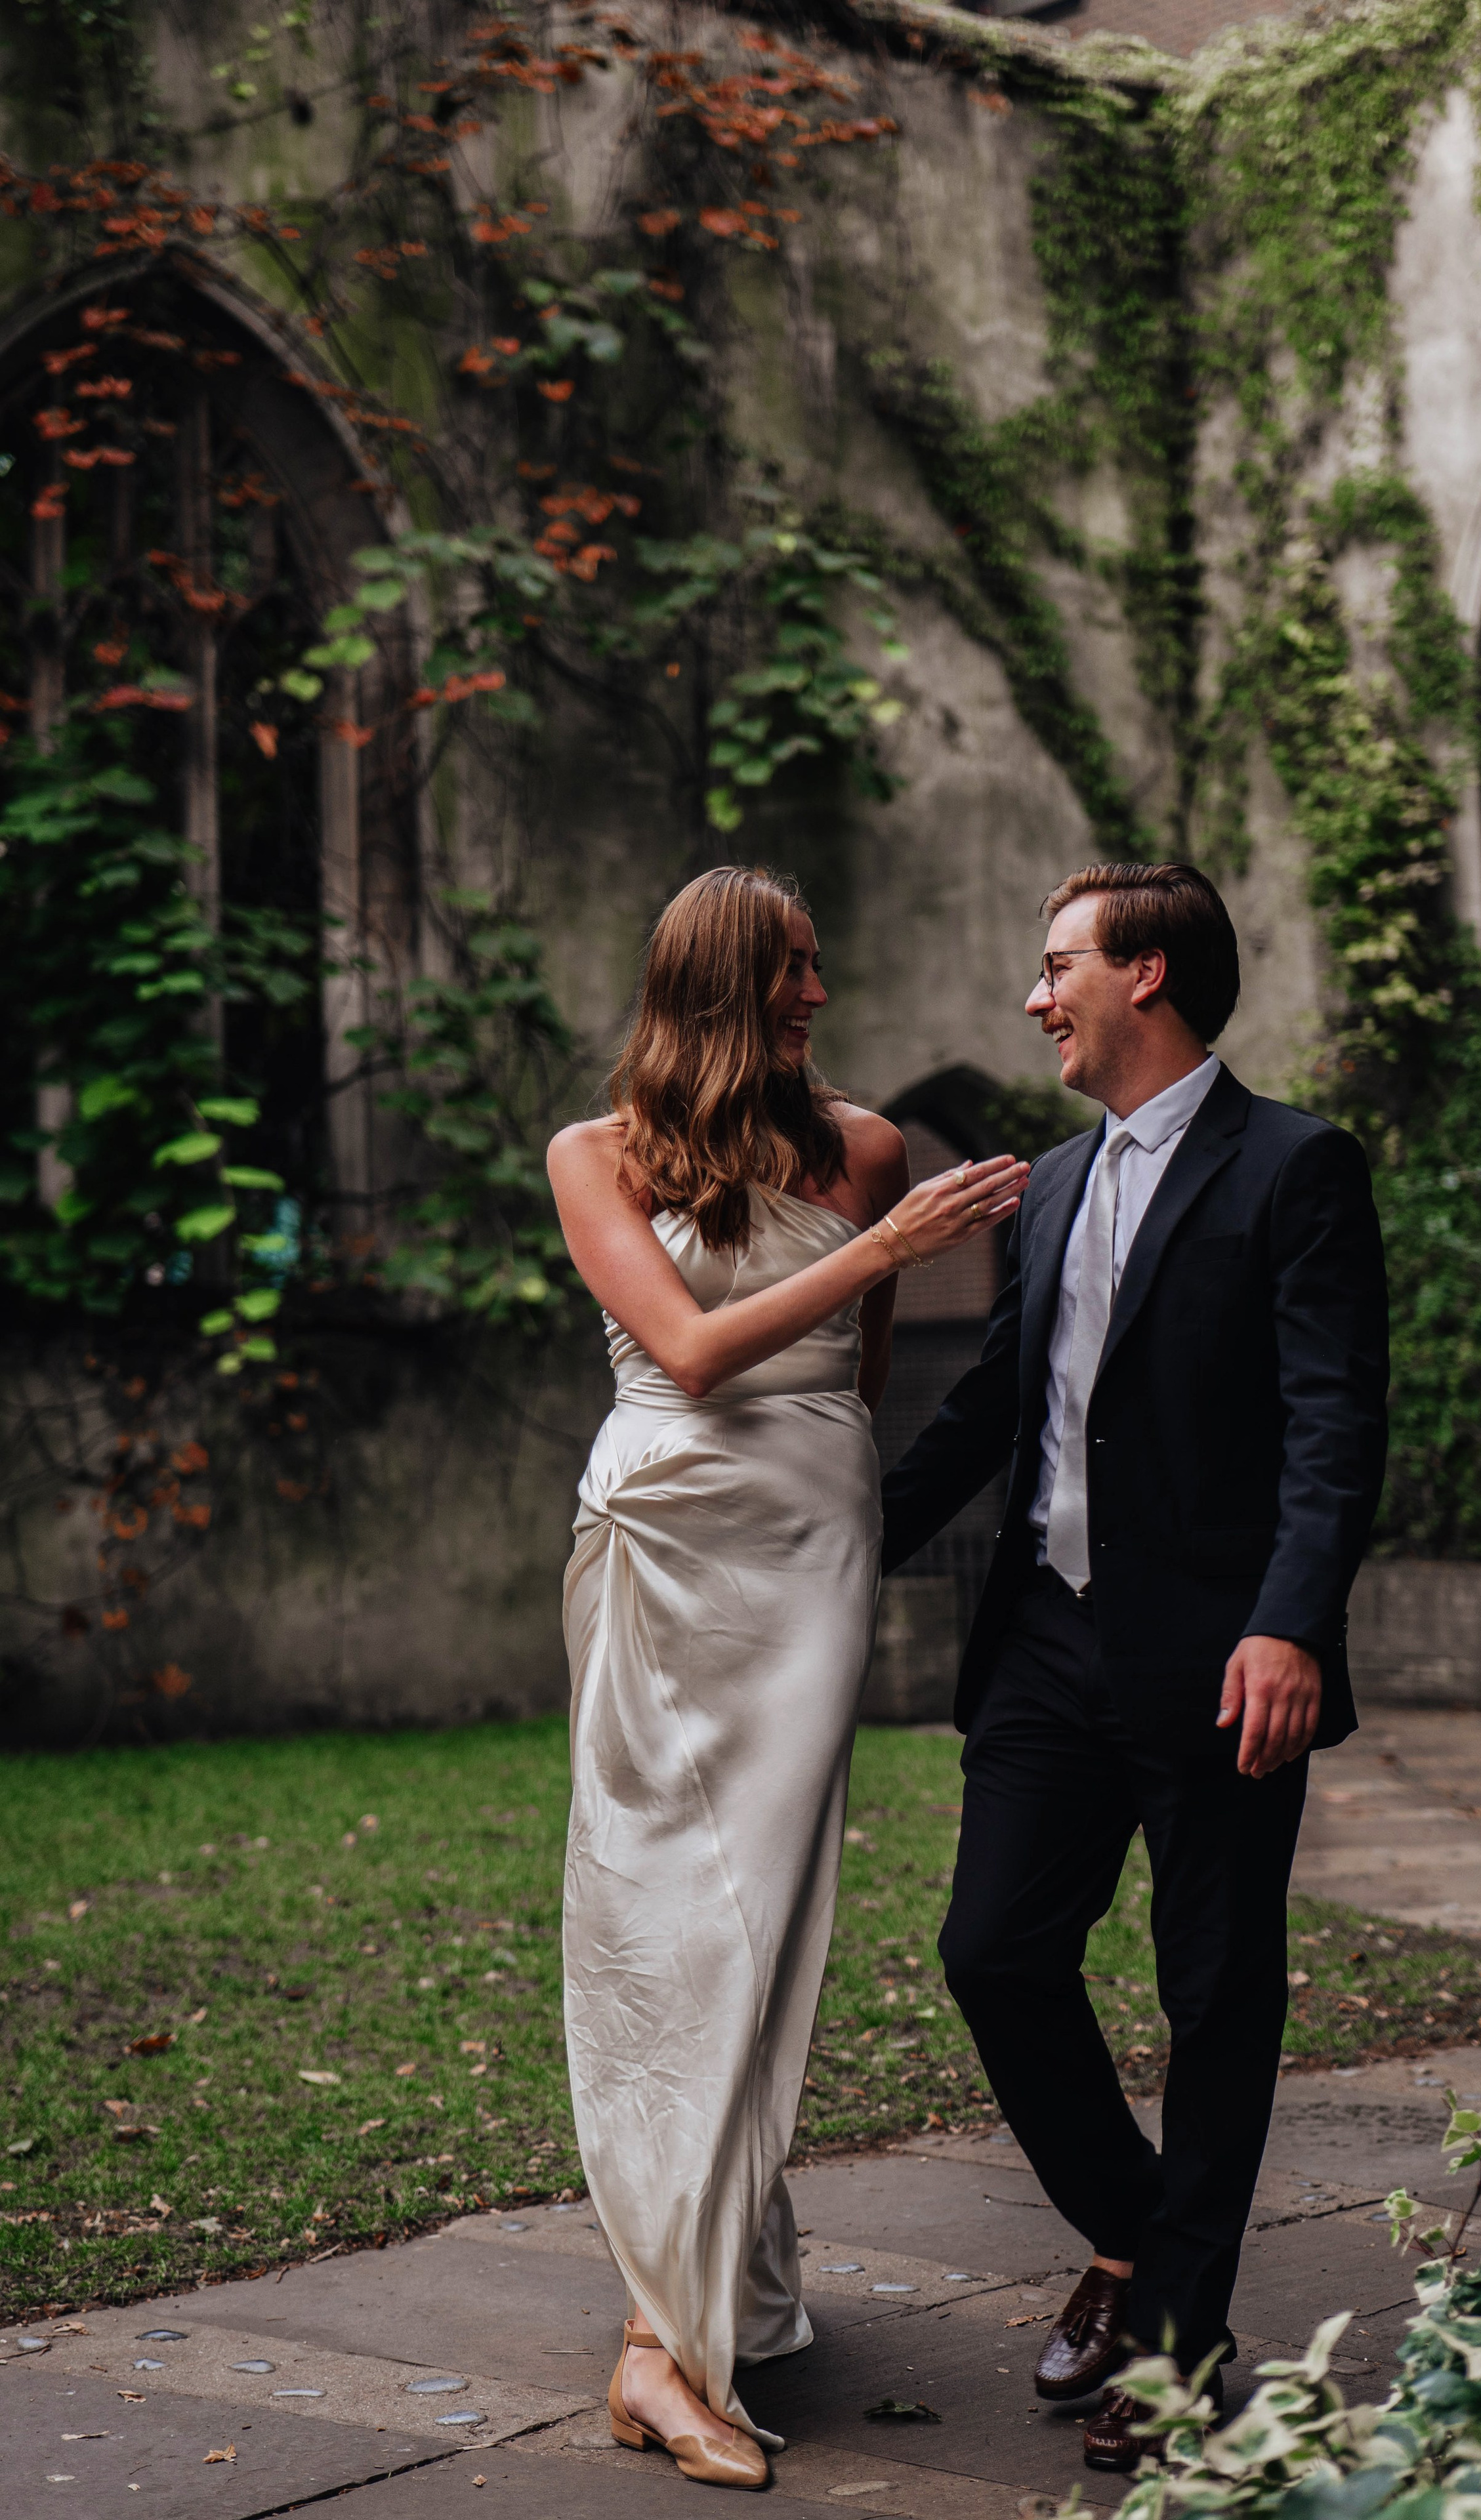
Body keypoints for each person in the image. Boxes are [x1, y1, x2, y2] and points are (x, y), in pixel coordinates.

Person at [879, 860, 1388, 2470]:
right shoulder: (1041, 1188)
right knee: (992, 1950)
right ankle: (1142, 2246)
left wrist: (1292, 1617)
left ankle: (1168, 2352)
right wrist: (832, 1548)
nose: (1035, 997)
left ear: (1145, 973)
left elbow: (1333, 1417)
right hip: (1043, 1639)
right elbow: (987, 1410)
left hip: (1222, 1658)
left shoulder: (1294, 1168)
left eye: (1056, 966)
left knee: (1216, 1989)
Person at [548, 866, 1026, 2490]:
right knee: (655, 1911)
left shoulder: (869, 1145)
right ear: (721, 983)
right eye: (794, 971)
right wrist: (884, 1245)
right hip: (663, 1539)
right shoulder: (591, 1156)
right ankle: (655, 2344)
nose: (818, 995)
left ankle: (694, 2297)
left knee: (766, 1909)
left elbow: (857, 1370)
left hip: (807, 1544)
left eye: (818, 968)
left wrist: (880, 1244)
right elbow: (686, 1351)